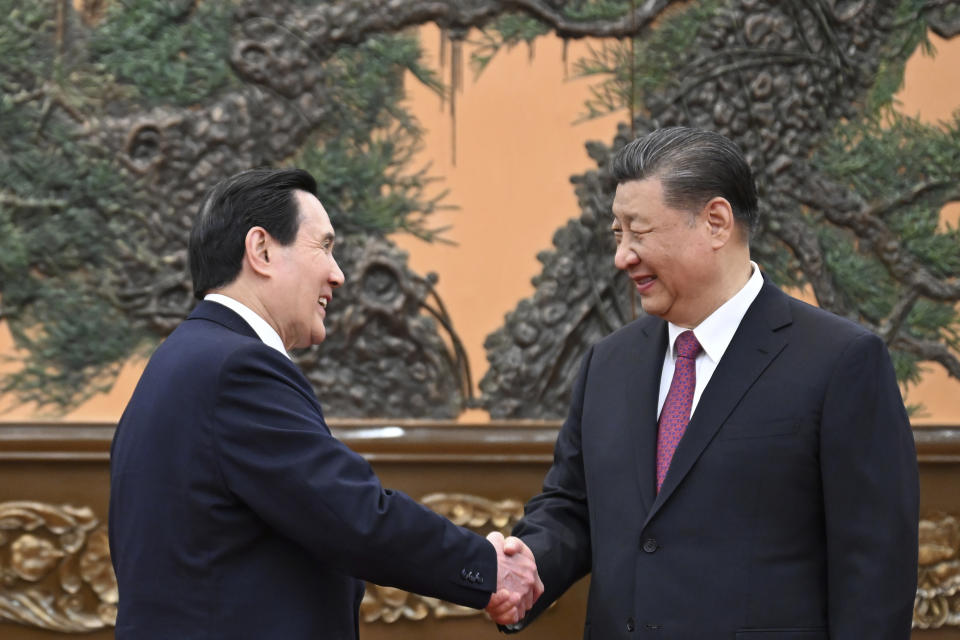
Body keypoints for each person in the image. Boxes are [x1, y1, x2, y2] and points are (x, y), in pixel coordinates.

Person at [493, 127, 919, 638]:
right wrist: (526, 568)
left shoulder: (841, 361)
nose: (622, 256)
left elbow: (874, 570)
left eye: (638, 231)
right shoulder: (609, 362)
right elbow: (573, 506)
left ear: (716, 222)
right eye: (617, 234)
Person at [108, 168, 543, 639]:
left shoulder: (182, 357)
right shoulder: (237, 368)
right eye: (325, 247)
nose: (337, 275)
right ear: (262, 250)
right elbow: (352, 515)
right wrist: (488, 569)